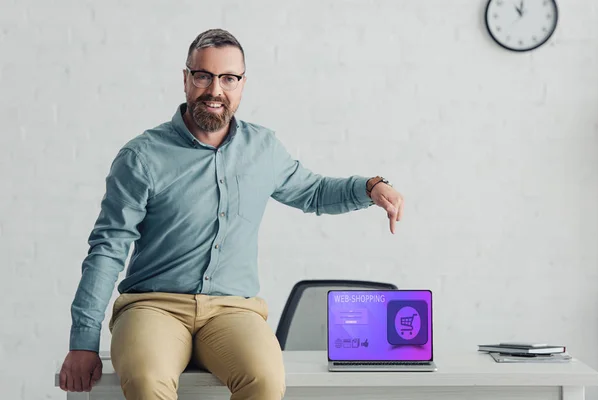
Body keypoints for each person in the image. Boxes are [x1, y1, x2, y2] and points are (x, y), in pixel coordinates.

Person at [59, 28, 404, 400]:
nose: (215, 90)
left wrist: (371, 186)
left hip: (232, 310)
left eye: (228, 78)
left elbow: (315, 192)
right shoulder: (142, 157)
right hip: (153, 307)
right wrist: (83, 341)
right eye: (203, 76)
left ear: (242, 83)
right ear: (186, 79)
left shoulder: (263, 148)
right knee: (147, 380)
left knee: (265, 380)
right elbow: (108, 249)